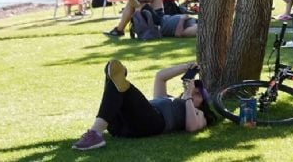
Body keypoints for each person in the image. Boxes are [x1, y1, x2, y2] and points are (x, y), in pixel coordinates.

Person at [72, 60, 216, 151]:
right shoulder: (168, 99)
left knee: (120, 84)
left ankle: (95, 134)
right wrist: (186, 67)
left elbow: (192, 127)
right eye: (193, 90)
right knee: (114, 81)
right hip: (121, 126)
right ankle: (96, 133)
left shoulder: (200, 114)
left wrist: (189, 96)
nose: (193, 92)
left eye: (198, 94)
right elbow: (160, 77)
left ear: (203, 102)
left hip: (152, 123)